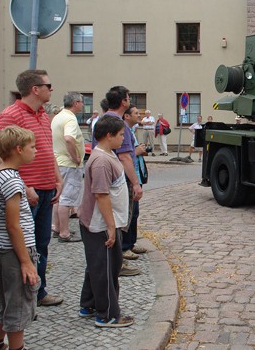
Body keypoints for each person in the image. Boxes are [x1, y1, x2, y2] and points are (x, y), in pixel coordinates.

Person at [0, 69, 64, 307]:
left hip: (46, 189)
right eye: (48, 85)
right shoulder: (10, 115)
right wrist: (24, 187)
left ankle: (37, 290)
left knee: (41, 244)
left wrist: (57, 178)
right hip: (26, 193)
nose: (51, 89)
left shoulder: (43, 114)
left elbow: (47, 148)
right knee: (23, 243)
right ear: (35, 89)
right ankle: (21, 293)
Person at [78, 115, 135, 328]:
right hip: (100, 224)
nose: (123, 138)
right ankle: (107, 314)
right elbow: (101, 195)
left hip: (105, 223)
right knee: (106, 269)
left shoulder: (107, 154)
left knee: (97, 265)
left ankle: (88, 304)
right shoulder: (101, 161)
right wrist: (111, 227)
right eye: (121, 135)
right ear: (109, 136)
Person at [0, 126, 39, 350]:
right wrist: (25, 260)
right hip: (16, 251)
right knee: (19, 303)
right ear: (18, 149)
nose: (36, 151)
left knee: (5, 299)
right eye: (32, 147)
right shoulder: (11, 181)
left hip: (4, 249)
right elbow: (13, 225)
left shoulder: (0, 173)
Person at [92, 86, 143, 277]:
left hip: (110, 177)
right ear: (124, 101)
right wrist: (136, 183)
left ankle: (115, 261)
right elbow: (125, 157)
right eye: (128, 98)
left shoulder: (105, 119)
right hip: (118, 179)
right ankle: (117, 262)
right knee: (120, 221)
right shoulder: (116, 123)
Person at [51, 92, 85, 243]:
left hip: (58, 161)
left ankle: (57, 227)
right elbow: (69, 138)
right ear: (76, 103)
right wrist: (75, 157)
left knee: (58, 198)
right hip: (68, 163)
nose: (83, 105)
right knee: (66, 199)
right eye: (82, 102)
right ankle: (64, 233)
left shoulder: (58, 116)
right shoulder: (70, 118)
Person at [120, 104, 147, 265]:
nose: (139, 115)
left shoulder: (131, 131)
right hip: (129, 177)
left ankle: (131, 243)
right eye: (136, 113)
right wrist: (136, 151)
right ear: (127, 116)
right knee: (128, 213)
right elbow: (126, 155)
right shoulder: (124, 130)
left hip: (136, 175)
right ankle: (124, 247)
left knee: (134, 213)